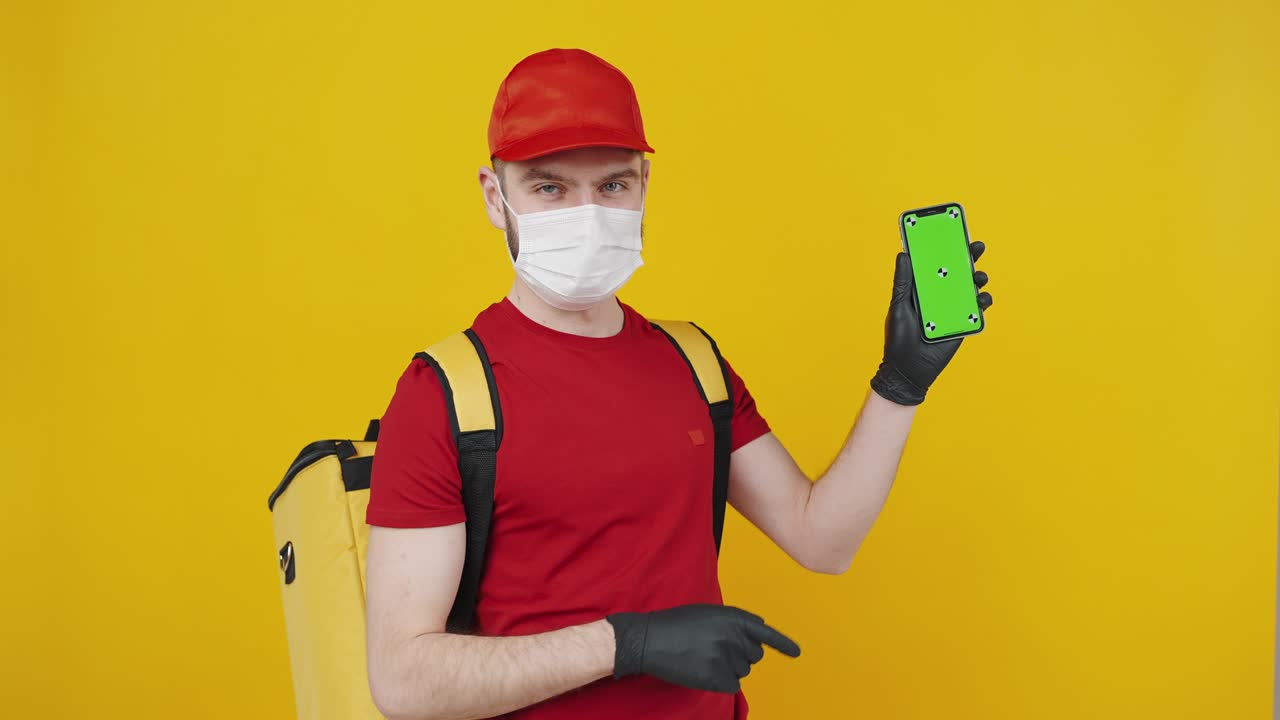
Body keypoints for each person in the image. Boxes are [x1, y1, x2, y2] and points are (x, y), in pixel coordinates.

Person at [363, 48, 994, 720]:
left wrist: (900, 382)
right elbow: (404, 682)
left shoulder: (692, 361)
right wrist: (627, 644)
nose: (587, 213)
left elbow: (823, 541)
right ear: (496, 197)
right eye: (550, 188)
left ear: (643, 185)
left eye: (613, 187)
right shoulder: (444, 395)